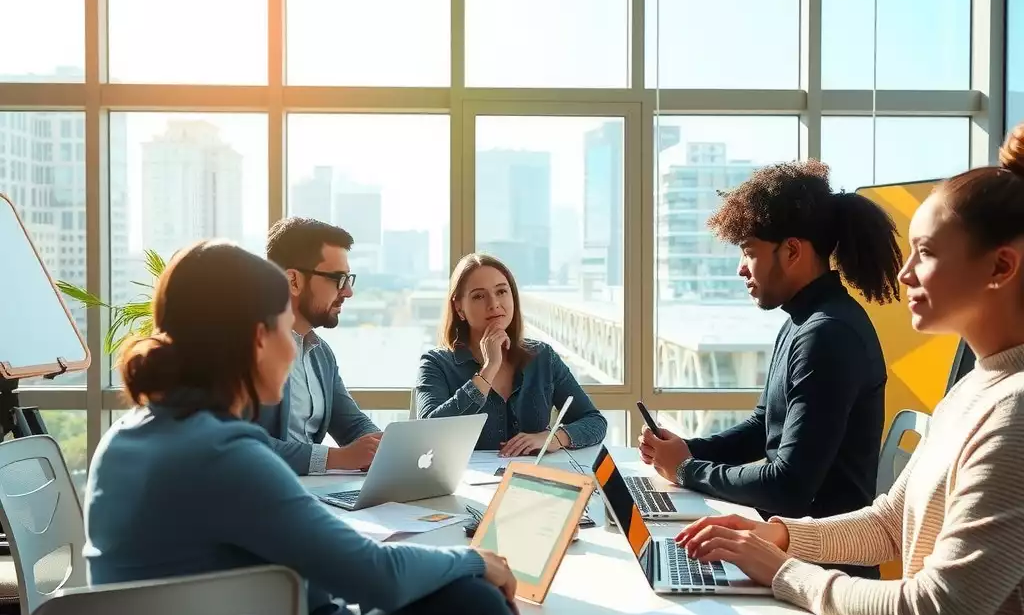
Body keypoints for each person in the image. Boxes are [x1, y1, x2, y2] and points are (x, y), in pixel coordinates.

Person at [84, 240, 557, 615]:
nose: (294, 346)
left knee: (369, 606)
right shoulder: (224, 455)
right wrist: (476, 561)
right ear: (258, 338)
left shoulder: (131, 437)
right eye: (286, 329)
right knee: (469, 599)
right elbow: (376, 579)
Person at [629, 127, 1024, 615]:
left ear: (1000, 267)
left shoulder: (1015, 412)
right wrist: (777, 535)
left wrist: (780, 568)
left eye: (926, 254)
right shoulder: (972, 387)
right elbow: (886, 522)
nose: (904, 275)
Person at [639, 160, 902, 526]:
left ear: (792, 251)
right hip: (787, 543)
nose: (741, 268)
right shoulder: (804, 322)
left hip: (817, 562)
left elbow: (788, 487)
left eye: (749, 251)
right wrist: (684, 451)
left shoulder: (827, 334)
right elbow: (764, 426)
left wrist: (685, 470)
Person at [416, 253, 607, 456]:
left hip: (531, 482)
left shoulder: (542, 357)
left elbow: (594, 421)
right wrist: (488, 370)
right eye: (479, 296)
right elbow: (428, 436)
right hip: (464, 485)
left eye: (501, 292)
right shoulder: (435, 363)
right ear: (459, 307)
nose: (494, 304)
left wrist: (555, 438)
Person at [258, 216, 382, 476]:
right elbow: (244, 444)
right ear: (293, 281)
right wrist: (336, 458)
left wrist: (387, 448)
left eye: (349, 279)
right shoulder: (248, 347)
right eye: (338, 279)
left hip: (310, 492)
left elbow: (350, 423)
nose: (347, 292)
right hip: (263, 495)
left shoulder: (320, 353)